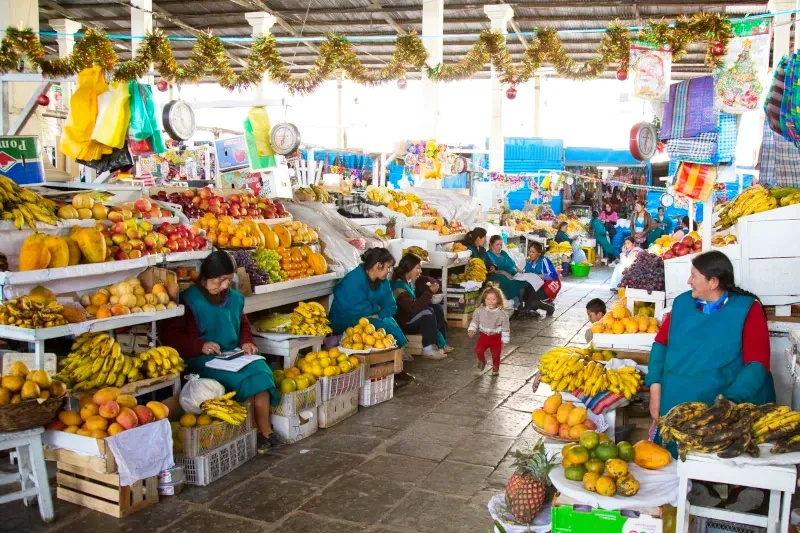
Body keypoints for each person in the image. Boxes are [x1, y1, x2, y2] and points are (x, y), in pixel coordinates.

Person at [646, 251, 776, 455]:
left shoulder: (747, 310)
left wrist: (727, 404)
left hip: (718, 409)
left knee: (714, 463)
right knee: (673, 461)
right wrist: (655, 390)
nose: (689, 281)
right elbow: (660, 346)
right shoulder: (682, 303)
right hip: (675, 403)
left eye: (694, 276)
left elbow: (757, 365)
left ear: (713, 282)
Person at [160, 251, 281, 453]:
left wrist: (246, 342)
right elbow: (171, 337)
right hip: (202, 360)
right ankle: (253, 433)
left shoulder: (233, 298)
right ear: (208, 275)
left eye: (228, 280)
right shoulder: (189, 300)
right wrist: (200, 346)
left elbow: (242, 324)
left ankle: (266, 430)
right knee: (243, 381)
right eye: (221, 280)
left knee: (260, 370)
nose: (224, 285)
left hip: (232, 355)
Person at [391, 254, 451, 360]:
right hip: (403, 323)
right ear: (408, 268)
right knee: (427, 311)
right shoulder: (398, 286)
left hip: (410, 316)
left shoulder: (408, 283)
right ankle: (428, 349)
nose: (420, 271)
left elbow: (413, 303)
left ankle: (442, 343)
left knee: (436, 308)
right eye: (418, 268)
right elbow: (412, 308)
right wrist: (429, 292)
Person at [485, 235, 535, 312]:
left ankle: (528, 306)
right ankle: (519, 305)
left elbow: (513, 263)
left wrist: (519, 269)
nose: (499, 247)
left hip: (512, 273)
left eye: (501, 245)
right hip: (499, 275)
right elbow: (492, 270)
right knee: (515, 283)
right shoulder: (488, 255)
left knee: (529, 279)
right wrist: (505, 273)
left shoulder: (503, 253)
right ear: (491, 244)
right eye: (497, 245)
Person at [468, 285, 510, 376]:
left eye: (493, 299)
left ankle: (495, 368)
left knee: (496, 355)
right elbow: (475, 320)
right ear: (484, 300)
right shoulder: (479, 311)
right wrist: (472, 329)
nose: (490, 301)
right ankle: (482, 361)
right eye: (488, 299)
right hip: (484, 336)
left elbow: (505, 326)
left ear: (498, 300)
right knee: (478, 350)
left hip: (496, 338)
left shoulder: (502, 314)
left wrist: (505, 337)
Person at [523, 241, 557, 316]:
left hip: (545, 289)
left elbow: (554, 276)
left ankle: (550, 306)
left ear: (539, 253)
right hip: (532, 290)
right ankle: (528, 307)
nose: (530, 254)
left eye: (533, 252)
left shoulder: (544, 261)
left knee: (533, 302)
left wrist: (541, 276)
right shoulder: (528, 262)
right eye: (529, 251)